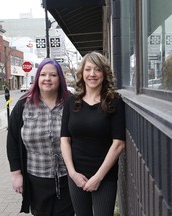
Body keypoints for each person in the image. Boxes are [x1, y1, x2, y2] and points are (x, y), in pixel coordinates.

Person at [60, 51, 126, 216]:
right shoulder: (71, 102)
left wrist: (98, 177)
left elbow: (118, 144)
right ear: (82, 73)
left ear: (104, 73)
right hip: (77, 175)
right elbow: (65, 140)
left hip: (105, 176)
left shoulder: (115, 102)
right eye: (88, 69)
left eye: (97, 69)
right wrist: (72, 173)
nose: (92, 74)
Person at [6, 58, 74, 215]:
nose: (47, 79)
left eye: (53, 75)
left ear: (60, 79)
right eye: (43, 74)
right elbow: (12, 141)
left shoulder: (71, 103)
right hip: (36, 178)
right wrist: (16, 174)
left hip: (68, 177)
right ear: (37, 78)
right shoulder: (24, 104)